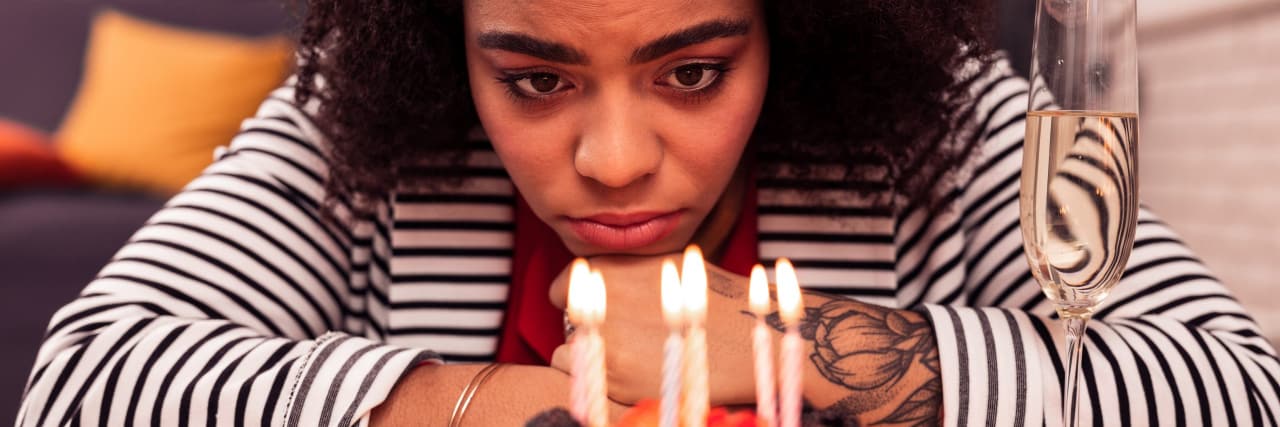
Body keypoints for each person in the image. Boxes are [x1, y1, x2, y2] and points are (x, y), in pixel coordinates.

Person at [19, 0, 1280, 426]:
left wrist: (778, 344)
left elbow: (1236, 390)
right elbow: (80, 382)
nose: (614, 162)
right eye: (534, 80)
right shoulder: (351, 113)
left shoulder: (947, 116)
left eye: (692, 72)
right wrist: (503, 403)